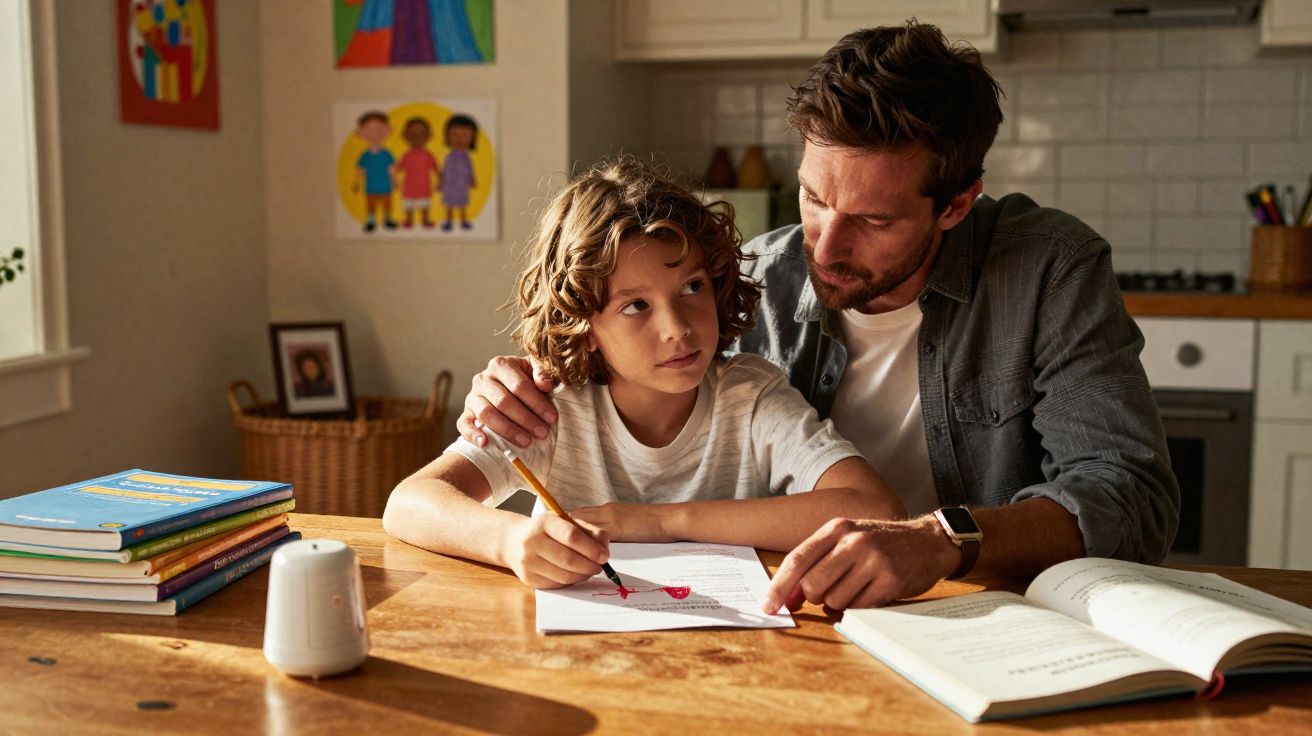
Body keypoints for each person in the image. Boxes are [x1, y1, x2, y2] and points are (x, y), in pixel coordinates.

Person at [454, 22, 1180, 612]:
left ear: (957, 204)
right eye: (814, 198)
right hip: (799, 616)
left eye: (873, 220)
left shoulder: (1049, 269)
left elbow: (1130, 496)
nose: (825, 248)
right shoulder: (752, 278)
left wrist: (941, 540)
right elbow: (622, 346)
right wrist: (518, 382)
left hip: (988, 609)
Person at [383, 157, 905, 590]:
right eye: (635, 306)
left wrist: (660, 522)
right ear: (584, 324)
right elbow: (409, 502)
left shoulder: (752, 396)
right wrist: (509, 541)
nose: (677, 328)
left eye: (693, 287)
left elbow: (875, 508)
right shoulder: (553, 408)